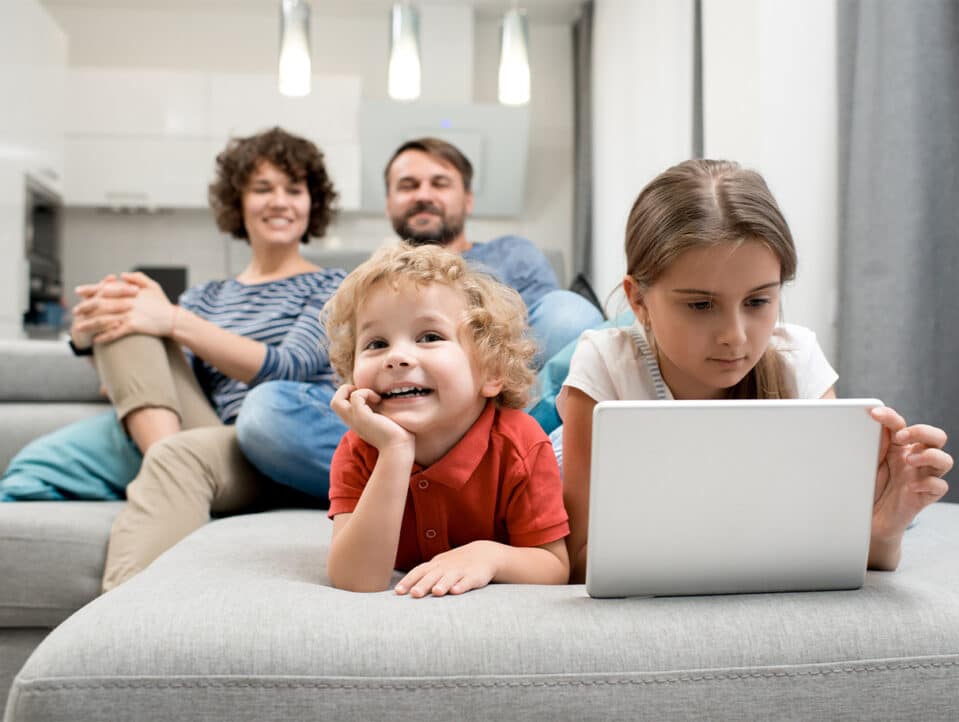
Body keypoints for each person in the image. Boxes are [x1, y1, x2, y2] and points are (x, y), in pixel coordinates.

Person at [557, 159, 954, 583]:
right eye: (701, 305)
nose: (736, 336)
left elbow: (857, 555)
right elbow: (581, 562)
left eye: (758, 302)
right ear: (638, 302)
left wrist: (883, 528)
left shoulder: (796, 358)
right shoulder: (603, 366)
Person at [1, 126, 346, 591]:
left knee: (146, 315)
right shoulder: (206, 297)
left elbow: (286, 368)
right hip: (208, 432)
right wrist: (89, 339)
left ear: (313, 203)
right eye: (262, 188)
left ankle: (123, 610)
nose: (279, 201)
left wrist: (173, 320)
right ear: (238, 202)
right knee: (125, 300)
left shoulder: (331, 286)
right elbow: (150, 379)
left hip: (276, 445)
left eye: (294, 189)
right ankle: (165, 456)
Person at [237, 137, 605, 496]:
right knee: (264, 413)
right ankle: (420, 475)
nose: (423, 194)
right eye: (408, 185)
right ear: (389, 204)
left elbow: (541, 353)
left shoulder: (513, 254)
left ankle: (507, 466)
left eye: (439, 183)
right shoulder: (372, 278)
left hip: (503, 413)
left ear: (468, 199)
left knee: (569, 314)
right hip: (402, 416)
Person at [323, 244, 570, 596]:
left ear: (491, 371)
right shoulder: (359, 449)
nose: (396, 357)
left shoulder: (521, 444)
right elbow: (357, 580)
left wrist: (489, 556)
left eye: (429, 337)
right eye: (376, 343)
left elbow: (555, 567)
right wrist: (394, 451)